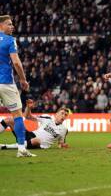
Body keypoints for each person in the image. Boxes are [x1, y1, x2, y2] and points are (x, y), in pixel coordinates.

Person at [0, 15, 33, 157]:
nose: (12, 26)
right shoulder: (10, 40)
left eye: (12, 24)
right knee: (18, 115)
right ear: (1, 26)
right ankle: (21, 149)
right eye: (9, 24)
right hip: (6, 82)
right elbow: (17, 63)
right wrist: (23, 80)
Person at [0, 100, 70, 150]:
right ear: (56, 114)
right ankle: (23, 143)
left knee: (36, 140)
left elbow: (60, 143)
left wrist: (63, 145)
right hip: (30, 135)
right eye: (62, 113)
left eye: (65, 115)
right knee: (10, 120)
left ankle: (5, 146)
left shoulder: (64, 129)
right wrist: (28, 107)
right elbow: (28, 117)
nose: (63, 116)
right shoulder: (47, 117)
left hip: (39, 144)